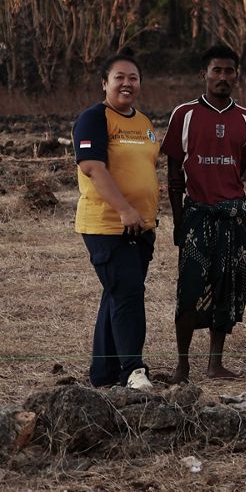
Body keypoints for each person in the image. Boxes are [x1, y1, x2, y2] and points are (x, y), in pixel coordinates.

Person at [161, 45, 246, 383]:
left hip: (234, 217)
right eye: (216, 70)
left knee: (227, 289)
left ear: (237, 75)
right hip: (196, 216)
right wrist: (178, 220)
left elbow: (241, 167)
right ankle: (182, 365)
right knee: (189, 291)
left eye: (229, 71)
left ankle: (215, 364)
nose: (222, 77)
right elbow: (174, 174)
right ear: (205, 73)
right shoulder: (184, 114)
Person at [74, 52, 160, 391]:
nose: (127, 83)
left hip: (141, 226)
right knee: (127, 292)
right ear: (104, 83)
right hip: (107, 223)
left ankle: (103, 373)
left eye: (133, 77)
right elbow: (93, 167)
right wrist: (125, 209)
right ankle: (132, 371)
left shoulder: (144, 123)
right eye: (119, 77)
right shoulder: (93, 118)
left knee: (116, 293)